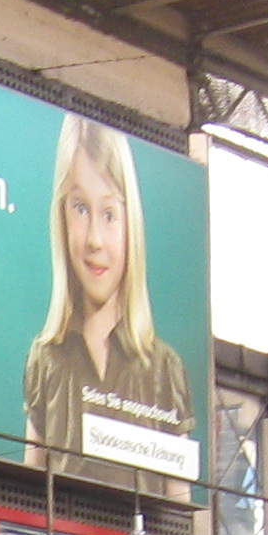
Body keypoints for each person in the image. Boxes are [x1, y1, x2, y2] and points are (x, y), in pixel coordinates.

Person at [21, 116, 189, 463]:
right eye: (80, 208)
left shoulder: (163, 367)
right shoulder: (45, 358)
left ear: (131, 224)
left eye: (109, 214)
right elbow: (30, 478)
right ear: (61, 216)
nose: (95, 239)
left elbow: (179, 491)